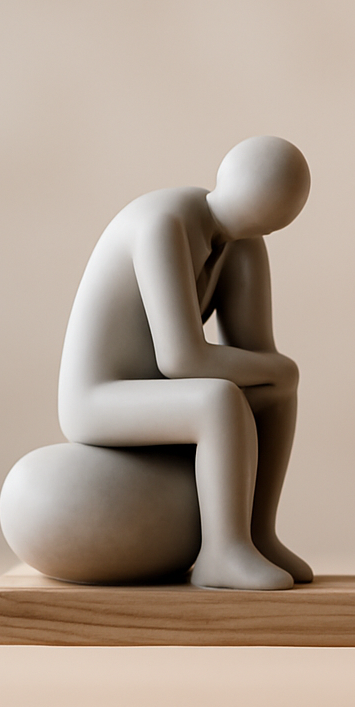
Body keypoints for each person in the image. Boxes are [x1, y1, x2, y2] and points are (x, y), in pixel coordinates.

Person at [57, 136, 312, 590]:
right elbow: (179, 359)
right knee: (217, 399)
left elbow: (256, 350)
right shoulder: (164, 225)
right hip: (98, 396)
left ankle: (258, 534)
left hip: (154, 391)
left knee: (277, 386)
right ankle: (221, 550)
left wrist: (277, 374)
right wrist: (273, 368)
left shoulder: (242, 245)